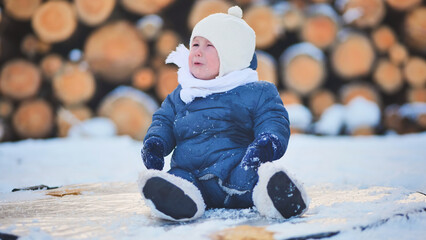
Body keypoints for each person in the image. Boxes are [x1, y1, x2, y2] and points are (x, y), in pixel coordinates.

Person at [138, 6, 309, 221]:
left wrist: (268, 143)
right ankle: (179, 200)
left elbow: (273, 118)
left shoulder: (256, 92)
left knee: (257, 178)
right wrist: (155, 143)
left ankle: (277, 195)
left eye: (209, 45)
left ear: (232, 55)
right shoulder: (182, 94)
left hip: (239, 171)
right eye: (195, 44)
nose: (198, 51)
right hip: (191, 175)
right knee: (179, 179)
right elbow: (163, 121)